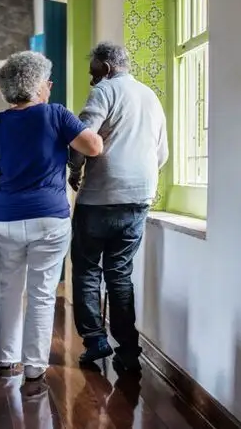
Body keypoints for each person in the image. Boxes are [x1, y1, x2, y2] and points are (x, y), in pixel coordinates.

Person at [0, 51, 103, 381]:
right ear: (36, 86)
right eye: (47, 80)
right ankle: (34, 366)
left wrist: (5, 182)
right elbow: (93, 147)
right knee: (42, 294)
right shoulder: (57, 115)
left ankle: (5, 359)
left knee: (9, 289)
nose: (50, 85)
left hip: (5, 217)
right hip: (49, 217)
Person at [68, 41, 169, 372]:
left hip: (99, 198)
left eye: (93, 72)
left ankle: (95, 339)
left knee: (86, 269)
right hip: (138, 199)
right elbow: (162, 155)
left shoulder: (105, 92)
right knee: (119, 274)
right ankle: (128, 349)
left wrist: (75, 169)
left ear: (107, 68)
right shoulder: (150, 97)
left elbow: (83, 139)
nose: (92, 79)